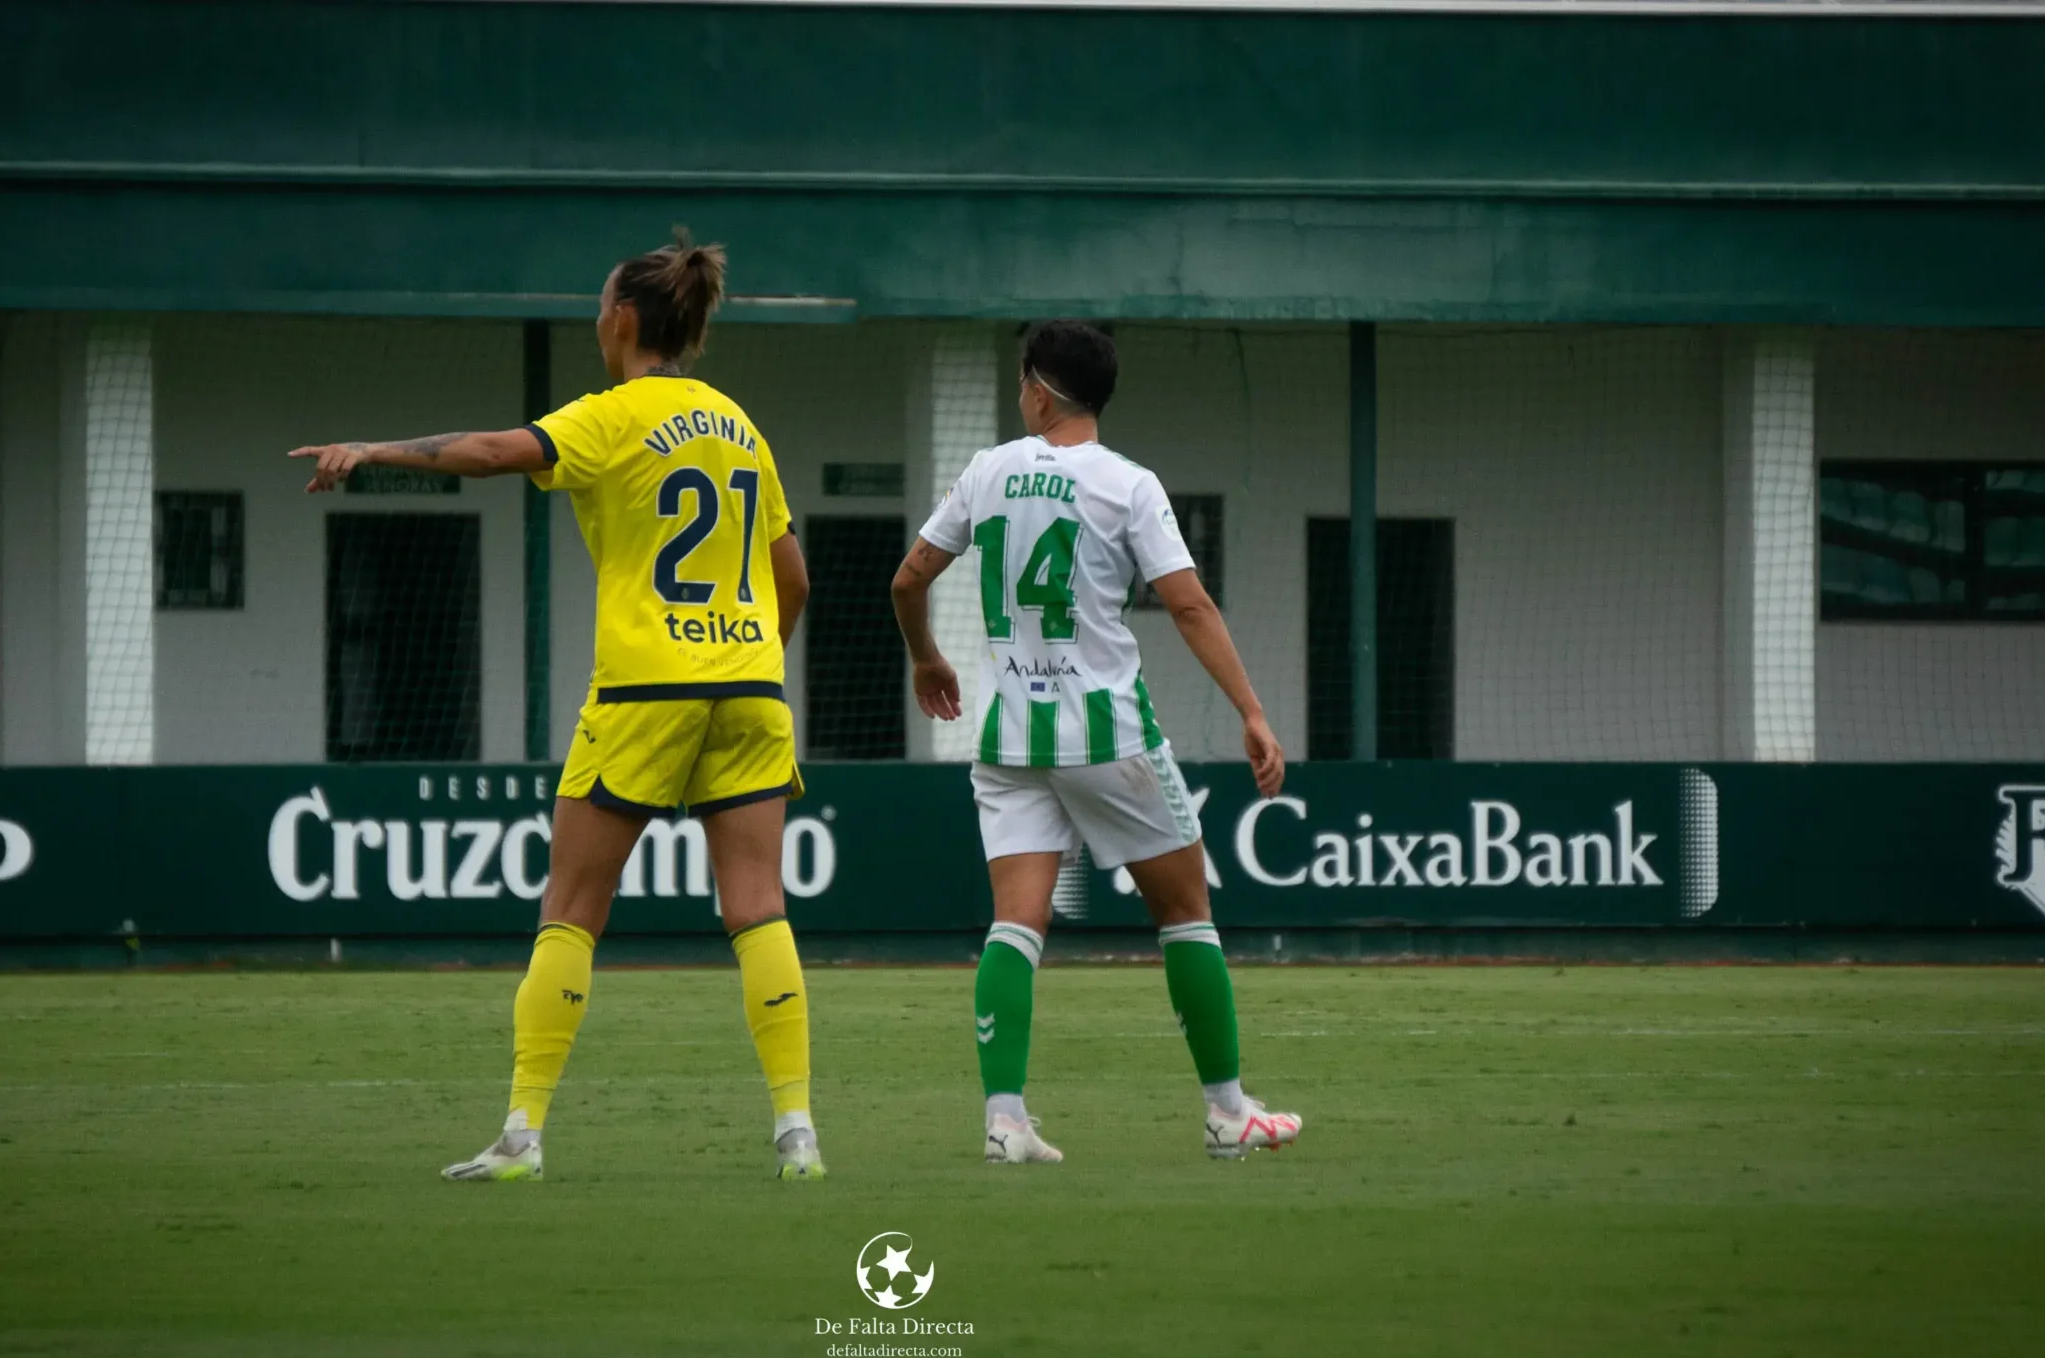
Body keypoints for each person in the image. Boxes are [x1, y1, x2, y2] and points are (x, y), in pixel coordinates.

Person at [292, 235, 824, 1181]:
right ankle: (798, 1135)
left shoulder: (611, 416)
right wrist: (744, 664)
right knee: (757, 907)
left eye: (599, 304)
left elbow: (500, 451)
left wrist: (373, 449)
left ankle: (522, 1136)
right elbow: (794, 579)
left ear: (622, 318)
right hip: (748, 685)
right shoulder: (739, 424)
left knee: (573, 907)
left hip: (644, 688)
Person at [889, 320, 1301, 1165]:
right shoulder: (1130, 485)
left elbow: (907, 578)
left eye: (1020, 382)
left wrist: (927, 657)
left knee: (1016, 924)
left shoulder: (986, 470)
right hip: (1107, 731)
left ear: (1041, 390)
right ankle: (1226, 1110)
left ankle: (1005, 1121)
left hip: (1008, 736)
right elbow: (1188, 605)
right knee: (1186, 911)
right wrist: (1252, 710)